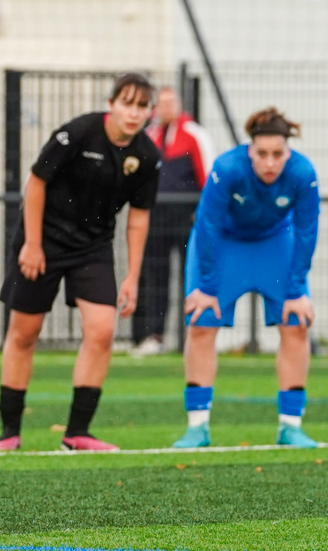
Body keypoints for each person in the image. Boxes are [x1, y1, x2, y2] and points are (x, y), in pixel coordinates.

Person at [0, 73, 160, 452]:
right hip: (43, 240)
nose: (134, 113)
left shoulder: (148, 156)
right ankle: (9, 433)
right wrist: (32, 244)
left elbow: (138, 217)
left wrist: (132, 276)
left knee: (102, 331)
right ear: (112, 103)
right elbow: (36, 183)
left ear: (150, 111)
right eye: (127, 103)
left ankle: (77, 433)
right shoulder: (78, 133)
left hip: (93, 247)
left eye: (142, 106)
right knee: (24, 333)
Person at [174, 107, 320, 449]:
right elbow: (207, 224)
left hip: (274, 243)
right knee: (201, 322)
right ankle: (197, 428)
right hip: (223, 244)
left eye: (277, 154)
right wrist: (207, 286)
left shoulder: (302, 172)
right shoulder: (226, 169)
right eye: (262, 154)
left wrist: (297, 289)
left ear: (288, 151)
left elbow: (306, 231)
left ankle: (291, 426)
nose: (270, 163)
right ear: (250, 150)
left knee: (296, 323)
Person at [131, 87, 215, 356]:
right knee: (155, 277)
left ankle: (195, 332)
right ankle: (154, 336)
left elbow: (209, 178)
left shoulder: (194, 135)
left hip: (186, 217)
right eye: (162, 103)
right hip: (156, 218)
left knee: (192, 273)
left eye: (171, 103)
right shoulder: (148, 137)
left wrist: (201, 215)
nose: (166, 108)